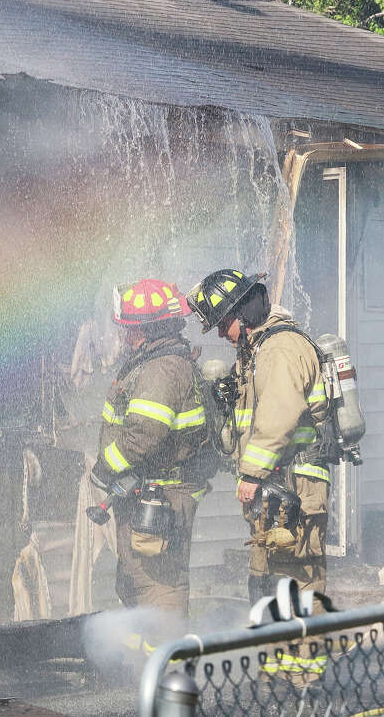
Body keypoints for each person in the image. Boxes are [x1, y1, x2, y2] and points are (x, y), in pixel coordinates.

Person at [187, 269, 330, 605]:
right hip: (275, 488)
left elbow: (279, 416)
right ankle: (274, 656)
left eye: (223, 323)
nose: (221, 333)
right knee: (265, 586)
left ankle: (302, 658)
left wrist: (252, 473)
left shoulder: (280, 349)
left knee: (294, 585)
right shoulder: (256, 351)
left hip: (296, 486)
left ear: (242, 312)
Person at [88, 279, 214, 632]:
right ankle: (143, 666)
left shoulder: (161, 369)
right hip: (147, 491)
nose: (125, 337)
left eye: (129, 330)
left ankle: (166, 664)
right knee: (135, 581)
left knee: (159, 585)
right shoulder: (155, 361)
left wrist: (104, 468)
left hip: (164, 496)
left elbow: (145, 434)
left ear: (145, 330)